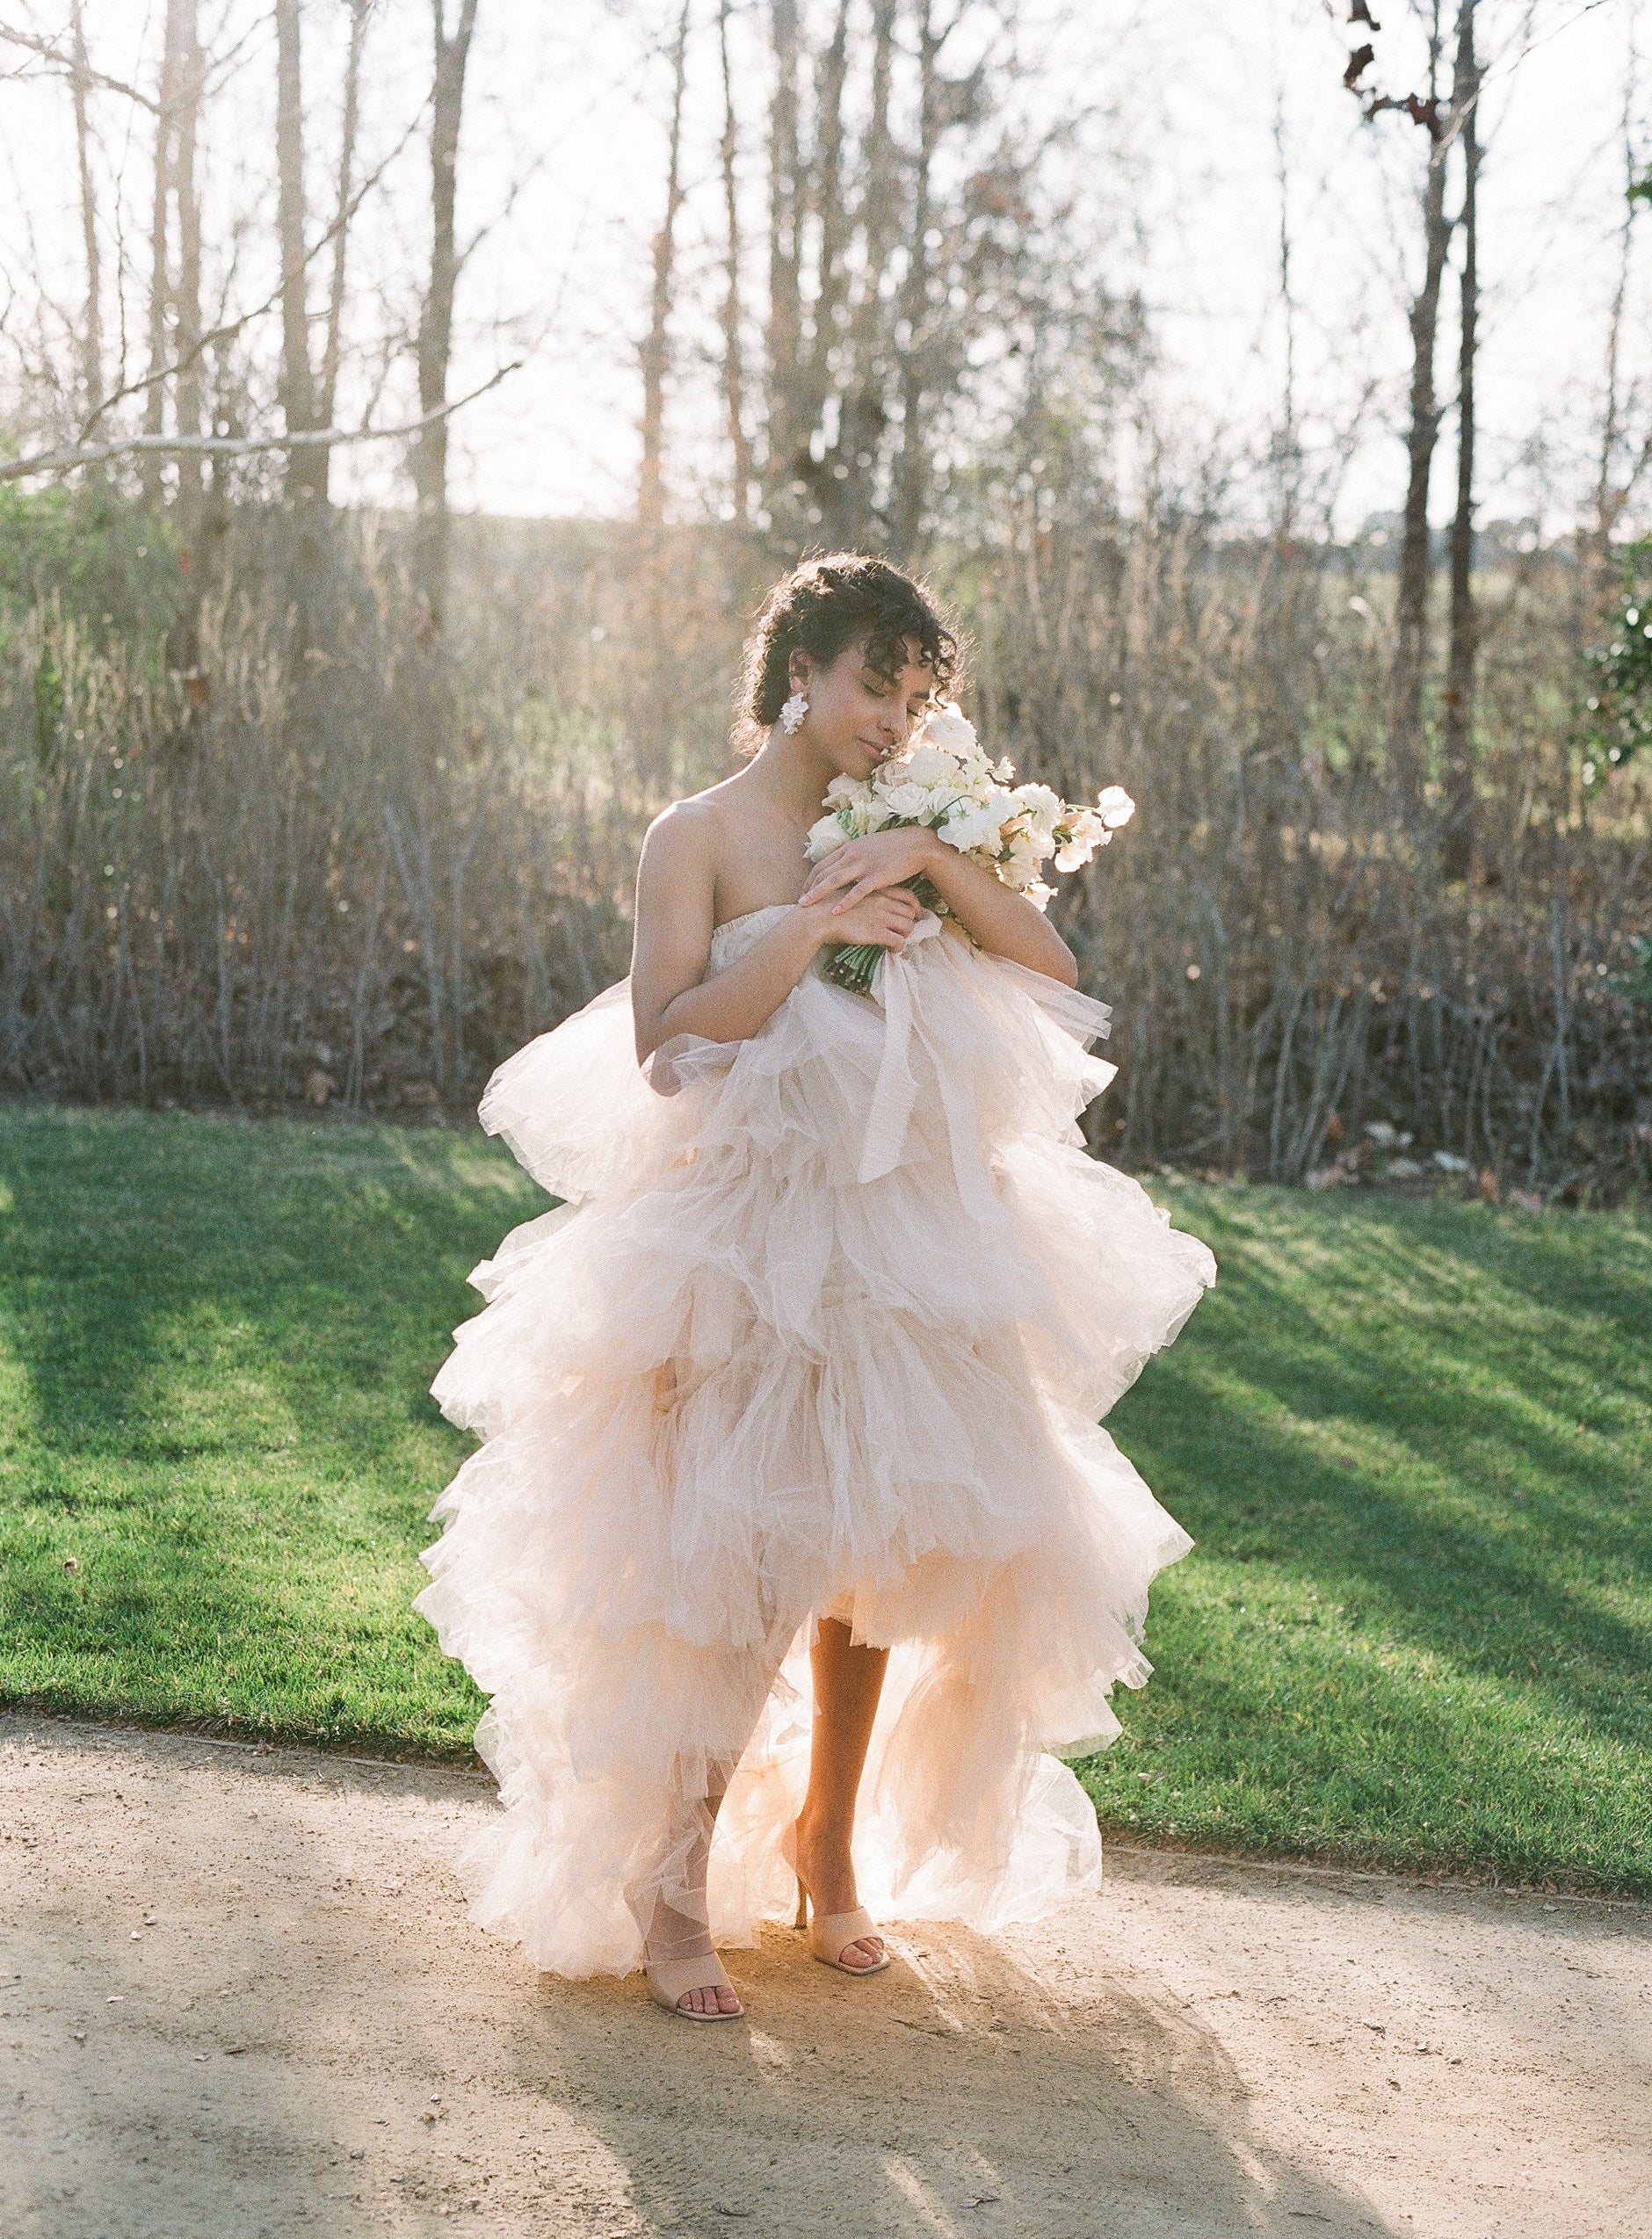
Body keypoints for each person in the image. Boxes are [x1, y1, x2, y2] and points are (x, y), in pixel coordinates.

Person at [416, 553, 1215, 2020]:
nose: (893, 723)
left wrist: (929, 863)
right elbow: (667, 1041)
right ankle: (670, 1882)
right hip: (744, 1248)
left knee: (883, 1556)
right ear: (801, 671)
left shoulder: (907, 826)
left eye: (919, 701)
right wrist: (806, 930)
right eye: (873, 688)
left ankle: (826, 1850)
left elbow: (1055, 968)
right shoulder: (700, 836)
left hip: (905, 1243)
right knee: (749, 1566)